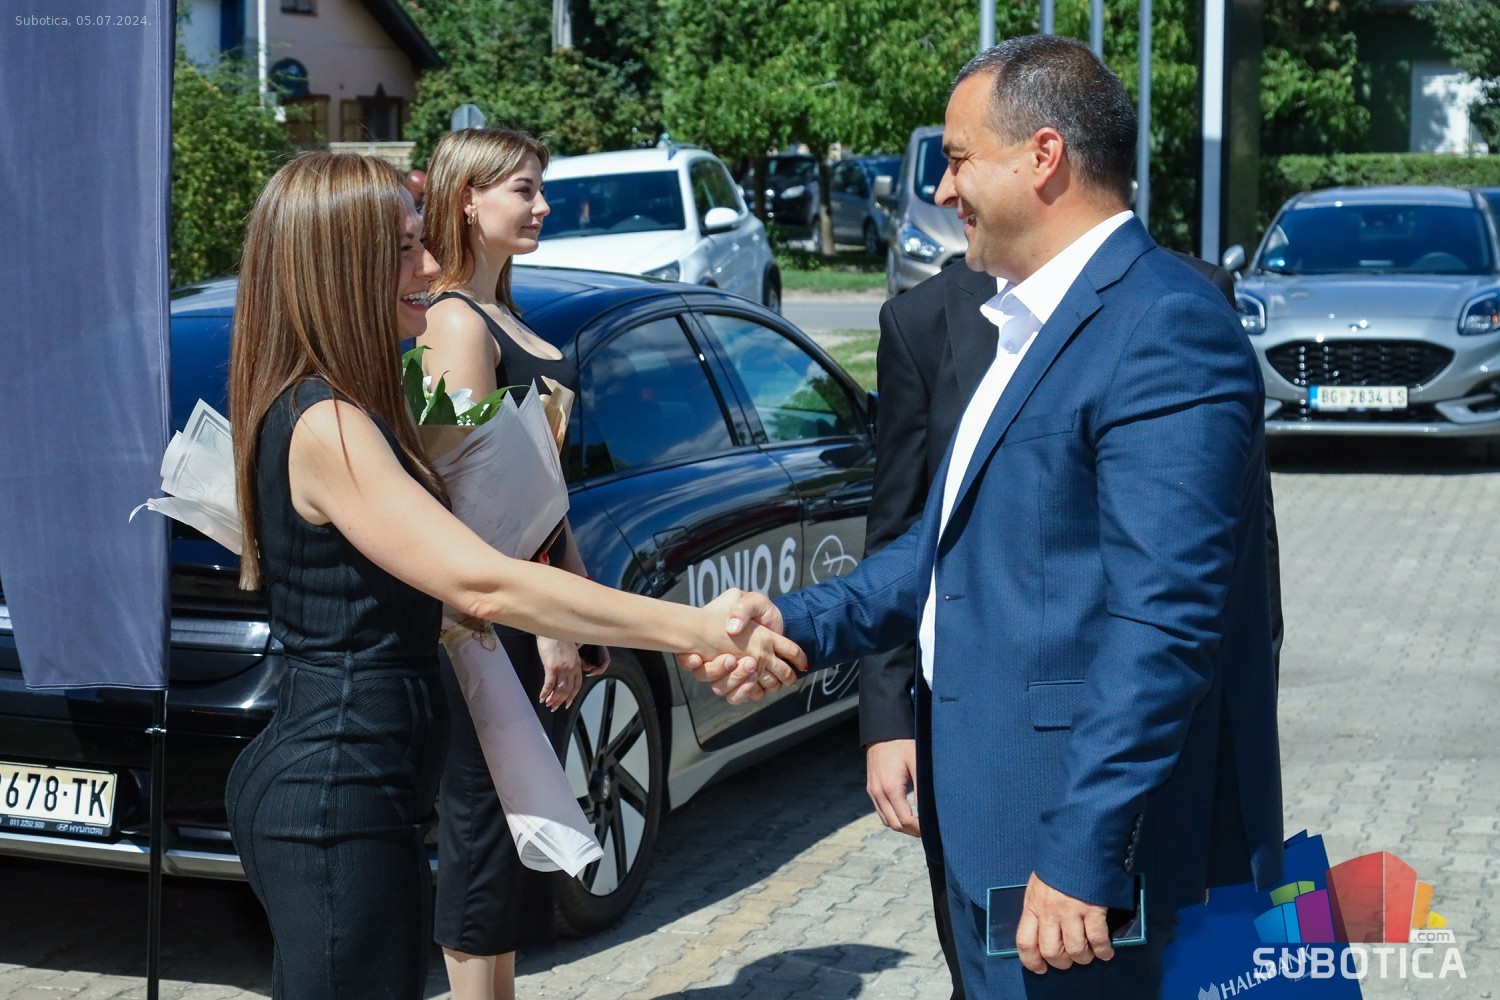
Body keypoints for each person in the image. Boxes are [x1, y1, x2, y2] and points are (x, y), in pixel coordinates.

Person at [703, 36, 1283, 996]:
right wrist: (796, 623)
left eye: (959, 158)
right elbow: (948, 549)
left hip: (1080, 858)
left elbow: (1164, 624)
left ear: (1043, 156)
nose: (942, 190)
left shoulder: (1163, 325)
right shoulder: (1025, 319)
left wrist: (1086, 849)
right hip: (993, 823)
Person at [223, 151, 797, 999]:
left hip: (360, 785)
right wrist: (696, 627)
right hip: (333, 794)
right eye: (405, 250)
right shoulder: (325, 423)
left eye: (423, 244)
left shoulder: (344, 405)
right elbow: (483, 583)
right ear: (339, 266)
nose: (429, 269)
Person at [861, 252, 1282, 999]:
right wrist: (888, 717)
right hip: (969, 755)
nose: (944, 197)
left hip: (1129, 767)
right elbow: (912, 530)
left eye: (959, 178)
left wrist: (1235, 717)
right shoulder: (921, 319)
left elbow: (1222, 566)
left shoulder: (1178, 306)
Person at [418, 126, 597, 1000]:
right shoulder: (454, 322)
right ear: (467, 199)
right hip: (487, 623)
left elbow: (540, 489)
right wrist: (545, 616)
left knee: (516, 829)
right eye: (523, 189)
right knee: (486, 832)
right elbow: (467, 501)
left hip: (529, 605)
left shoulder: (500, 315)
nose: (542, 206)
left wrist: (578, 605)